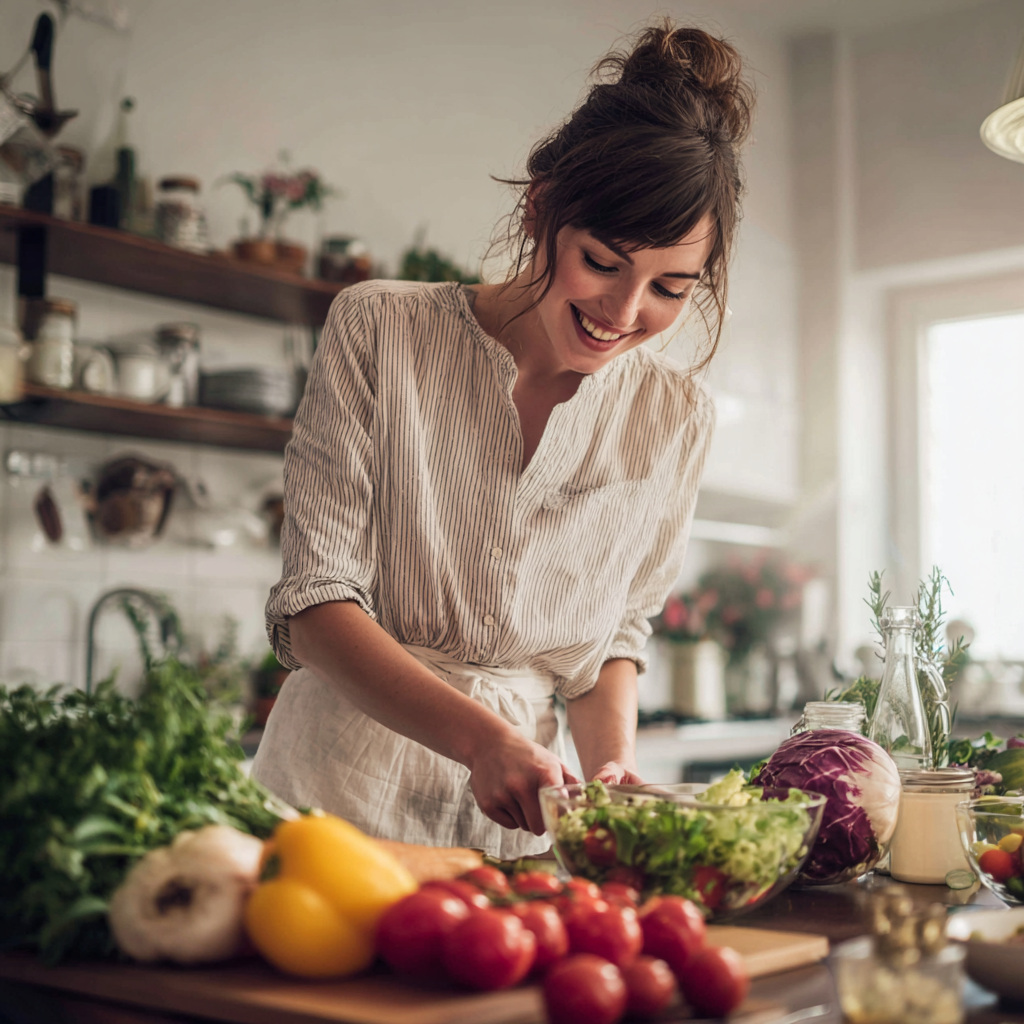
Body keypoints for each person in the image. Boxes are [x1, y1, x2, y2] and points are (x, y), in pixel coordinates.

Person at [251, 21, 753, 858]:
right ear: (542, 211)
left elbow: (611, 643)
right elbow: (313, 605)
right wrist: (481, 738)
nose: (624, 315)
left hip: (520, 828)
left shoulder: (676, 416)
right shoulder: (382, 327)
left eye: (670, 287)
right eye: (602, 261)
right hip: (332, 804)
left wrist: (612, 777)